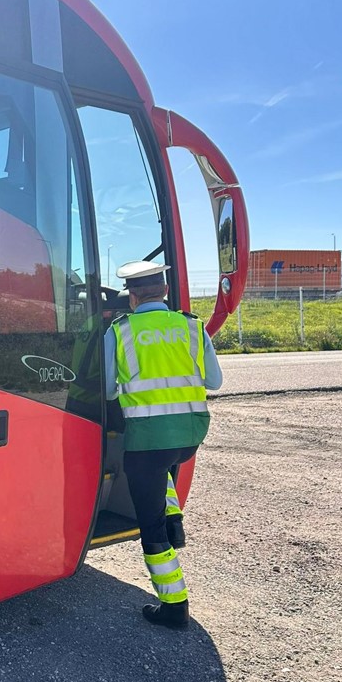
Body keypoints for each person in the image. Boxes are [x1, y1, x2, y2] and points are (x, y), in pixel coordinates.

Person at [103, 260, 223, 628]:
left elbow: (107, 389)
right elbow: (214, 381)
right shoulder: (191, 325)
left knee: (149, 526)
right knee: (164, 469)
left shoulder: (120, 330)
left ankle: (174, 605)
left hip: (148, 442)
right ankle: (175, 521)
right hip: (189, 438)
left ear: (132, 297)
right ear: (166, 292)